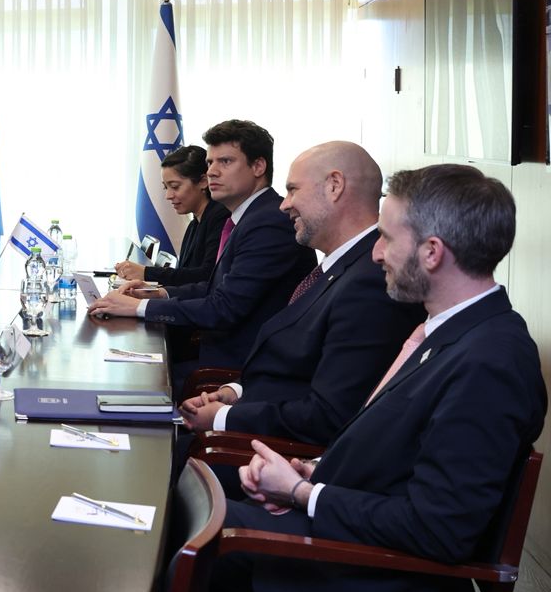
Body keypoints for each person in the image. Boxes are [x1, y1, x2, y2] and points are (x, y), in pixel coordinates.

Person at [220, 163, 544, 592]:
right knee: (181, 509)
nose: (374, 253)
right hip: (350, 554)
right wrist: (311, 472)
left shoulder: (490, 362)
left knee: (174, 534)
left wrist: (305, 494)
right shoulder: (453, 333)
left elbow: (439, 528)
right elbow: (396, 459)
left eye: (386, 238)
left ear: (432, 252)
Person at [179, 142, 424, 445]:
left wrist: (223, 417)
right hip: (254, 422)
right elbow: (295, 371)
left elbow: (329, 415)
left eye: (293, 190)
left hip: (266, 453)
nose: (284, 204)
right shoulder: (340, 267)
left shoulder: (371, 281)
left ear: (334, 186)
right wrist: (234, 392)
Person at [88, 119, 316, 371]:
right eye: (210, 163)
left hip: (238, 370)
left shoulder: (269, 222)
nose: (212, 172)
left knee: (129, 376)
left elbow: (224, 307)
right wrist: (157, 293)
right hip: (221, 354)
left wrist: (140, 307)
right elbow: (215, 288)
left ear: (258, 166)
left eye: (225, 161)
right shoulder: (248, 217)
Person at [115, 144, 229, 286]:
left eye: (175, 186)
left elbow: (207, 276)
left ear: (203, 182)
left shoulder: (221, 219)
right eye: (166, 187)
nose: (168, 195)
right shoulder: (194, 224)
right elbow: (185, 274)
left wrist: (146, 273)